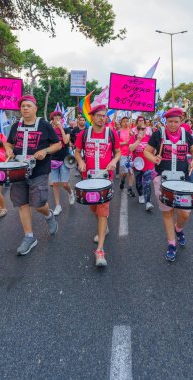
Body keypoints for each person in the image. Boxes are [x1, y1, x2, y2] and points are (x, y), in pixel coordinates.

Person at [5, 95, 61, 256]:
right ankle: (29, 237)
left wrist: (45, 151)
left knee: (37, 203)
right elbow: (9, 142)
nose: (25, 108)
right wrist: (9, 149)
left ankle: (49, 216)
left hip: (39, 171)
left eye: (29, 106)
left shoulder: (44, 125)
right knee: (22, 203)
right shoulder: (16, 126)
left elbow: (57, 144)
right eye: (23, 106)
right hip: (18, 170)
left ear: (35, 108)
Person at [144, 108, 193, 262]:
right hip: (162, 179)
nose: (173, 125)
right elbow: (147, 152)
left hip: (182, 180)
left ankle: (179, 229)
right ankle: (171, 244)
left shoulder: (186, 134)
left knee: (185, 213)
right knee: (167, 212)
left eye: (176, 121)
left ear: (181, 121)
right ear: (165, 122)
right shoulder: (158, 135)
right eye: (170, 122)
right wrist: (154, 158)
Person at [75, 104, 121, 267]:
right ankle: (105, 226)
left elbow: (118, 152)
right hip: (87, 178)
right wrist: (80, 161)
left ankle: (100, 251)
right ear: (92, 117)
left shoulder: (112, 133)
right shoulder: (83, 134)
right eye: (99, 115)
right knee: (93, 208)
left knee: (102, 211)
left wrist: (114, 162)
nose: (103, 118)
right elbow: (77, 151)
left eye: (104, 115)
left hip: (105, 179)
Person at [50, 111, 75, 216]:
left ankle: (70, 193)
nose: (57, 120)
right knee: (55, 183)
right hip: (53, 159)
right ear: (52, 120)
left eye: (58, 118)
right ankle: (57, 205)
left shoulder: (67, 129)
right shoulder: (50, 130)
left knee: (64, 184)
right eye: (55, 118)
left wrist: (60, 128)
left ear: (62, 119)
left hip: (64, 159)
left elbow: (65, 141)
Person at [129, 118, 155, 211]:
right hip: (138, 164)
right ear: (136, 129)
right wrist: (138, 140)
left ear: (146, 129)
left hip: (148, 164)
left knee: (147, 183)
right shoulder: (133, 138)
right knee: (139, 182)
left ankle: (148, 202)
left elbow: (154, 151)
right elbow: (131, 149)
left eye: (143, 129)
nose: (141, 130)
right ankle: (140, 194)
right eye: (139, 129)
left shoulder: (150, 138)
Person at [118, 116, 135, 197]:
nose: (125, 122)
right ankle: (122, 180)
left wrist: (133, 136)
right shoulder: (118, 132)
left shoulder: (132, 131)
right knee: (124, 172)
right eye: (124, 121)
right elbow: (116, 144)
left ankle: (130, 188)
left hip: (131, 155)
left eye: (127, 121)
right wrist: (125, 143)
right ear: (121, 123)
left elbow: (136, 142)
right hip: (122, 155)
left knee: (131, 172)